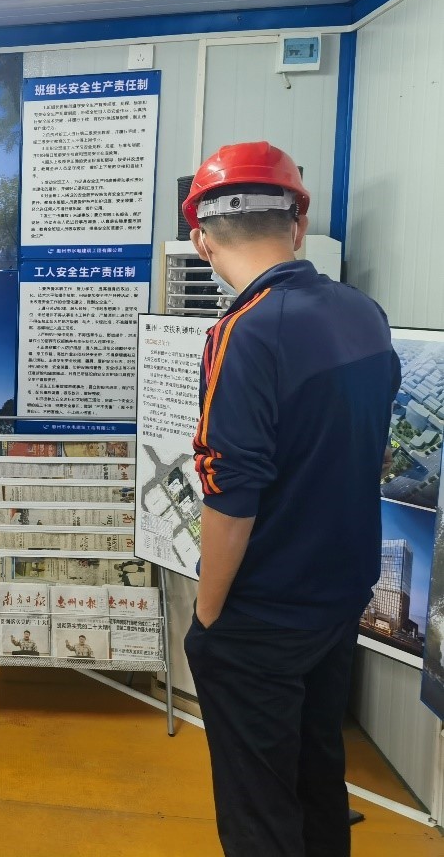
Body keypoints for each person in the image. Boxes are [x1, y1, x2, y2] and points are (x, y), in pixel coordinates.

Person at [180, 142, 400, 857]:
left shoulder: (242, 332)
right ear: (298, 226)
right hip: (337, 598)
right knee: (316, 775)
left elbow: (231, 492)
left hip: (262, 613)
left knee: (259, 808)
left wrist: (207, 615)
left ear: (201, 239)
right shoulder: (363, 313)